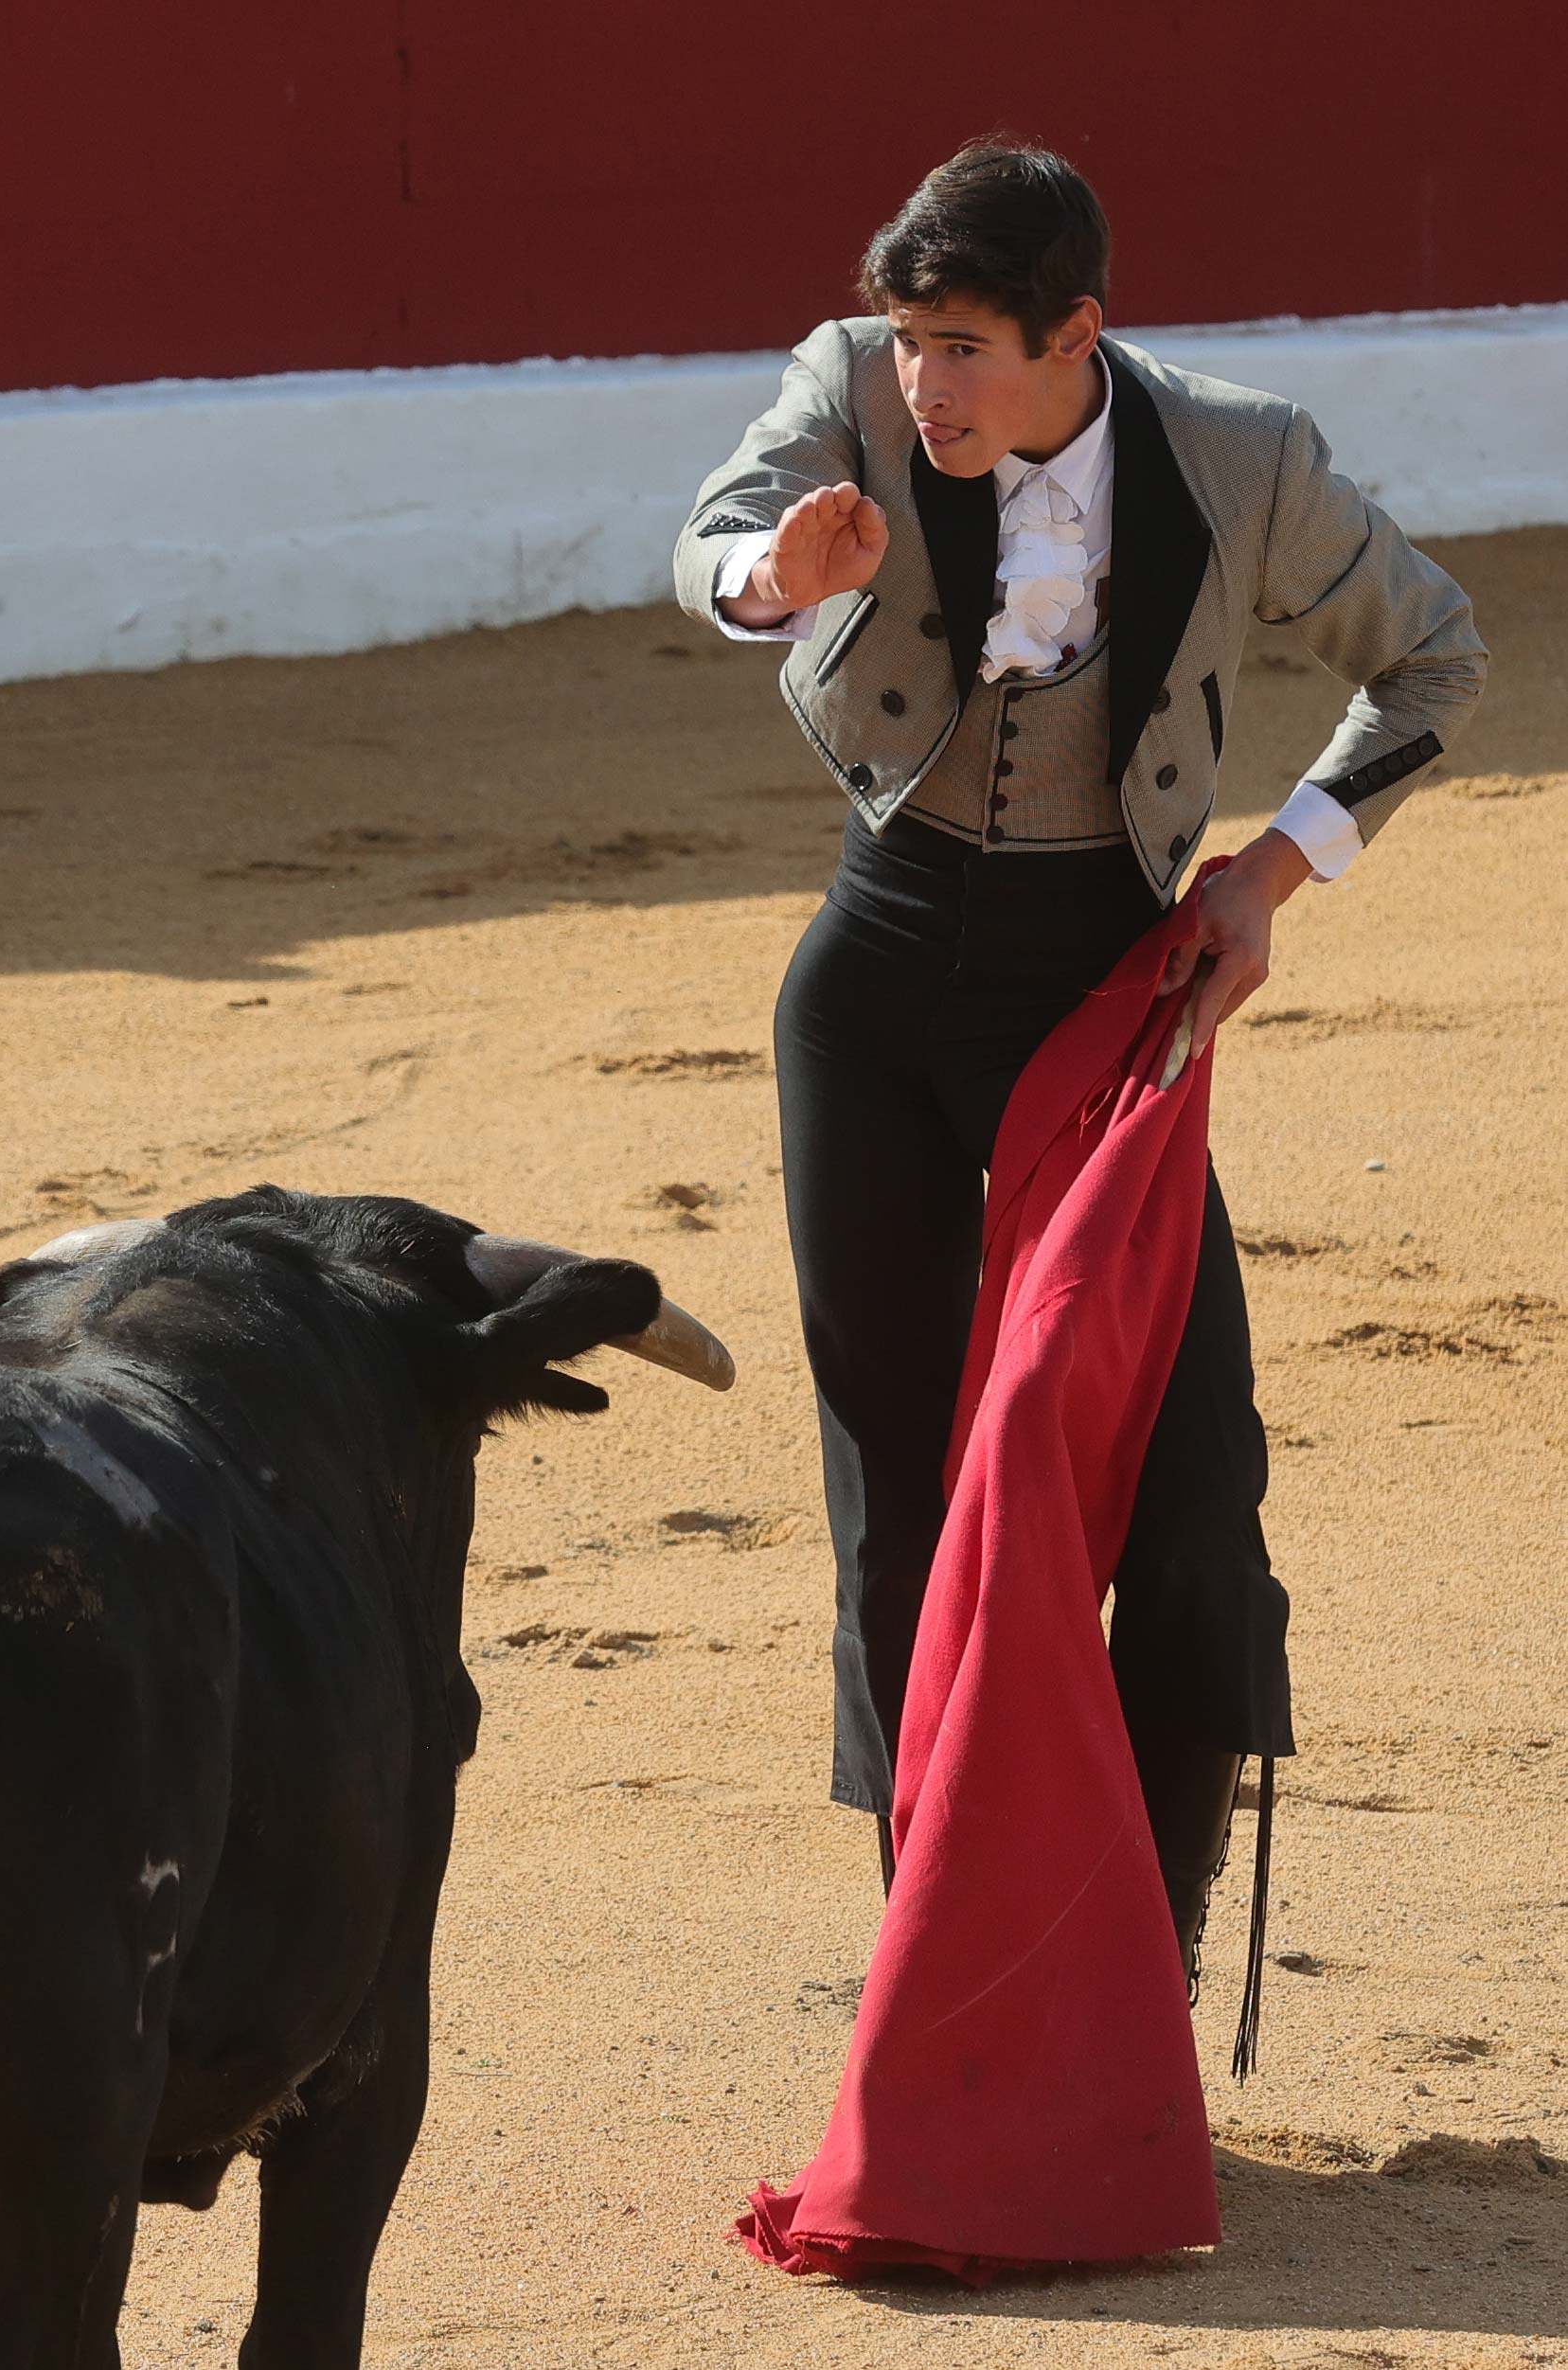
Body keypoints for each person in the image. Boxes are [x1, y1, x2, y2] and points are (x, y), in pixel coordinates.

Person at [674, 140, 1486, 1995]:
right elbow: (716, 532)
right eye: (907, 343)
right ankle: (942, 1985)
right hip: (873, 993)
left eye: (963, 347)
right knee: (902, 1504)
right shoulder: (847, 389)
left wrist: (1275, 870)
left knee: (1193, 1487)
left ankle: (1141, 1977)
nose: (921, 386)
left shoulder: (1236, 457)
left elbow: (1435, 657)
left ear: (1076, 337)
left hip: (1105, 994)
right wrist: (763, 569)